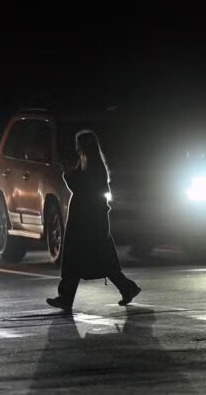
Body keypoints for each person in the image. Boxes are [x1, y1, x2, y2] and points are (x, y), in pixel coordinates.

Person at [47, 130, 140, 312]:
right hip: (87, 220)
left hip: (87, 222)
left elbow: (80, 187)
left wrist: (66, 173)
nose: (77, 148)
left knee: (83, 261)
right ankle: (126, 288)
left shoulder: (93, 167)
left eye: (79, 144)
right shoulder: (89, 164)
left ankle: (67, 298)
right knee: (94, 261)